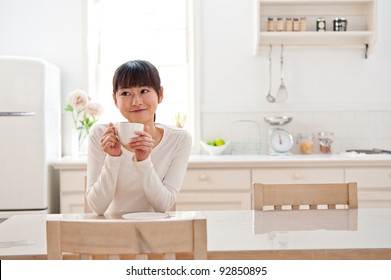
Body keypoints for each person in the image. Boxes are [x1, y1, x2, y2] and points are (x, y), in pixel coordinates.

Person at [86, 60, 192, 215]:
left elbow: (163, 206)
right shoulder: (100, 134)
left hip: (156, 233)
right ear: (115, 100)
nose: (136, 102)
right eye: (126, 93)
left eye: (144, 91)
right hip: (109, 232)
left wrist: (143, 162)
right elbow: (97, 207)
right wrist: (113, 158)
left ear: (160, 94)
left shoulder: (179, 139)